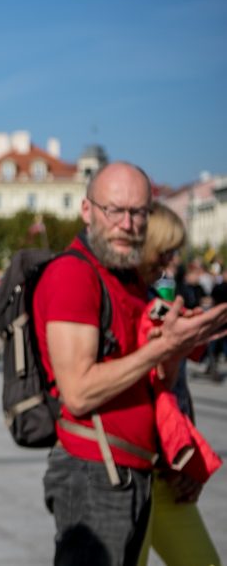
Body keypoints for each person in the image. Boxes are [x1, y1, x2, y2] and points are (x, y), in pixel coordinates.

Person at [34, 163, 227, 566]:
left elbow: (154, 386)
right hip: (96, 475)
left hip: (135, 472)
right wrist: (163, 349)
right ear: (87, 211)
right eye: (114, 210)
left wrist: (174, 352)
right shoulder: (73, 274)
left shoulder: (127, 282)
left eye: (138, 212)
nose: (126, 223)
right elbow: (80, 391)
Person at [134, 203, 221, 566]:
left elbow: (176, 393)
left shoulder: (158, 304)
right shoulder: (124, 305)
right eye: (164, 250)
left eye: (174, 252)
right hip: (131, 477)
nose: (170, 261)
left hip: (170, 478)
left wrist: (190, 462)